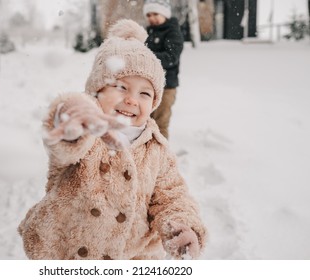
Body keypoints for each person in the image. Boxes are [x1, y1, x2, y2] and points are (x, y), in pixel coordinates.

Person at [18, 19, 206, 260]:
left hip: (132, 256)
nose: (131, 100)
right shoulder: (87, 131)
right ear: (96, 91)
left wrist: (181, 225)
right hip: (72, 253)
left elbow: (172, 195)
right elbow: (65, 149)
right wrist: (71, 123)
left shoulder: (156, 149)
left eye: (145, 93)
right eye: (121, 87)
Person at [143, 0, 184, 139]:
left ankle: (161, 155)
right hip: (148, 85)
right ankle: (145, 154)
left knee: (160, 124)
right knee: (145, 122)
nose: (151, 18)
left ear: (164, 13)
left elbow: (171, 57)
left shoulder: (173, 31)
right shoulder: (148, 32)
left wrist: (146, 57)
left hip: (167, 86)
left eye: (155, 13)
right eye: (148, 15)